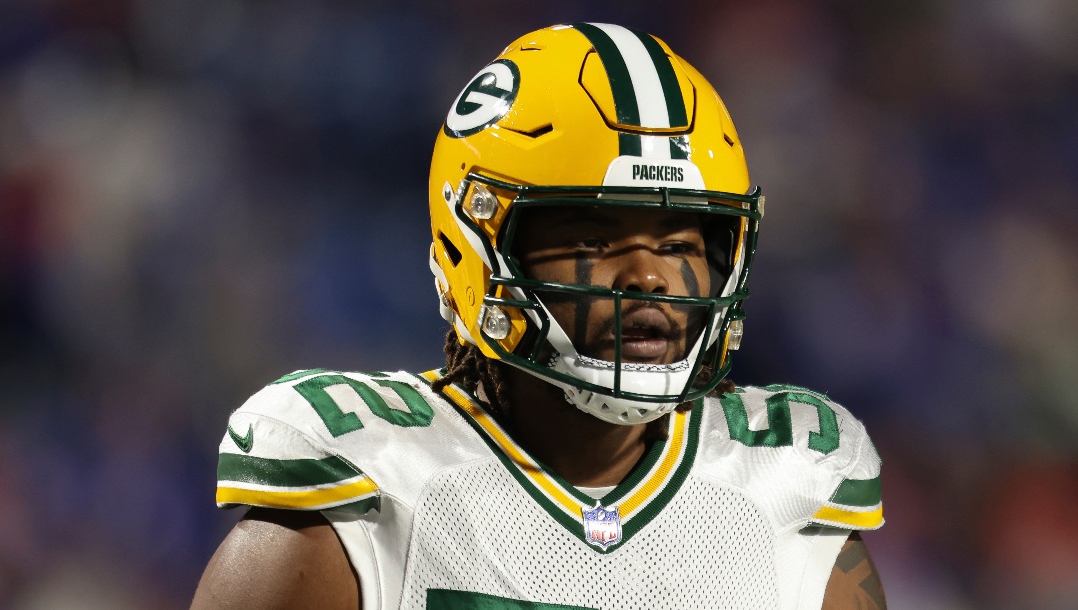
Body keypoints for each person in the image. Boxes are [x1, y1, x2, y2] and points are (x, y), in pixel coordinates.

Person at [191, 23, 885, 610]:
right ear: (477, 246)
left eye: (680, 243)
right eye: (593, 240)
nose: (649, 276)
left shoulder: (787, 491)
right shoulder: (361, 497)